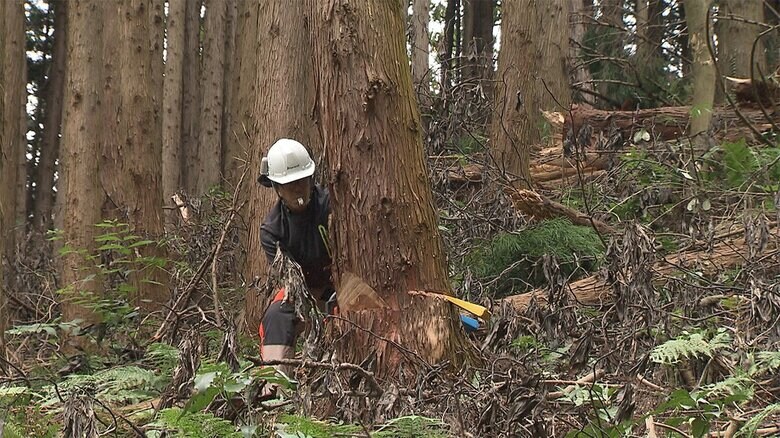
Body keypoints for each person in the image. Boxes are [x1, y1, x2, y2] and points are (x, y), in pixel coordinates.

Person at [257, 138, 334, 367]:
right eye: (290, 184)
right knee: (275, 317)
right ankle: (274, 390)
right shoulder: (273, 230)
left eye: (302, 181)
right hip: (303, 291)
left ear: (311, 179)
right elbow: (290, 282)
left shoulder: (331, 204)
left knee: (344, 306)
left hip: (340, 285)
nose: (298, 189)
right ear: (277, 188)